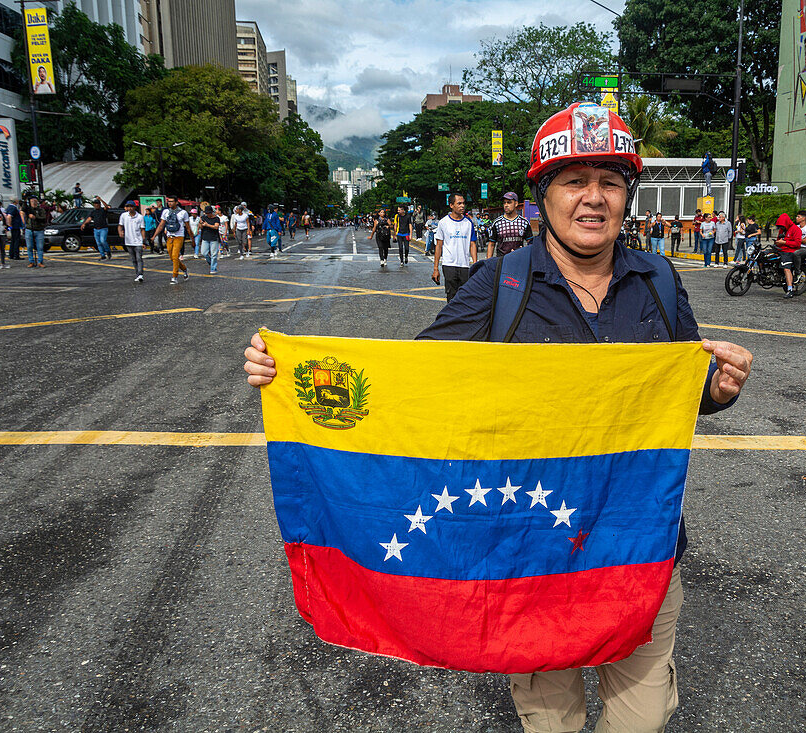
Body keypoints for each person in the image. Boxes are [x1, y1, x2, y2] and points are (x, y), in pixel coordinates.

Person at [242, 102, 753, 733]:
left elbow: (687, 390)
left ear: (627, 194)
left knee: (641, 720)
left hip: (638, 547)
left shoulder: (658, 278)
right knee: (551, 721)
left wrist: (721, 387)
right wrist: (290, 375)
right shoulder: (500, 283)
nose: (593, 199)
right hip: (532, 551)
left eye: (611, 181)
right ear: (544, 193)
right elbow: (413, 379)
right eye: (575, 181)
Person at [432, 193, 476, 301]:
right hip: (449, 265)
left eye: (463, 203)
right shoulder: (443, 223)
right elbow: (439, 246)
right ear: (451, 205)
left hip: (464, 265)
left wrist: (475, 265)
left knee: (465, 297)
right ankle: (452, 318)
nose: (462, 206)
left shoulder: (468, 223)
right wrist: (435, 269)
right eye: (459, 203)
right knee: (451, 296)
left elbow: (472, 244)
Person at [153, 196, 192, 284]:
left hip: (179, 236)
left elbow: (188, 227)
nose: (170, 203)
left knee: (175, 256)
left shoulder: (183, 213)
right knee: (172, 257)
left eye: (171, 201)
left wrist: (192, 238)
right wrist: (154, 235)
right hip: (169, 237)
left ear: (176, 202)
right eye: (168, 201)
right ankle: (185, 269)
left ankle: (174, 276)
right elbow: (161, 225)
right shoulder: (165, 212)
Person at [486, 192, 533, 259]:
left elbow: (530, 244)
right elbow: (491, 244)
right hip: (502, 261)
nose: (506, 205)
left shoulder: (524, 222)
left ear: (516, 204)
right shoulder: (497, 223)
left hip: (519, 260)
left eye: (509, 202)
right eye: (504, 203)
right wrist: (488, 263)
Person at [774, 212, 803, 298]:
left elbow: (797, 244)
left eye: (782, 226)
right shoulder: (782, 230)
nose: (781, 228)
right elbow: (778, 240)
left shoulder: (796, 229)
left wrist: (785, 242)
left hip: (790, 251)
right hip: (780, 249)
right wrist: (778, 243)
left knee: (786, 268)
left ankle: (790, 289)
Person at [117, 200, 147, 283]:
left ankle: (140, 274)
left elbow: (142, 229)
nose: (129, 208)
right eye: (128, 206)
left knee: (139, 258)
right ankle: (137, 274)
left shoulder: (140, 217)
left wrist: (143, 241)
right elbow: (120, 225)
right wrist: (120, 232)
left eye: (131, 206)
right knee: (133, 259)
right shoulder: (124, 216)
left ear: (134, 207)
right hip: (128, 241)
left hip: (138, 241)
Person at [23, 195, 50, 268]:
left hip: (39, 230)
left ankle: (40, 261)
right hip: (29, 229)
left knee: (40, 247)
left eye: (35, 201)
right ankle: (31, 261)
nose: (33, 202)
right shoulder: (28, 209)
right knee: (29, 246)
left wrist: (35, 217)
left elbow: (43, 218)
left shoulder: (41, 210)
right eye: (32, 201)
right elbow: (23, 208)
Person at [199, 204, 222, 274]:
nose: (207, 214)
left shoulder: (216, 218)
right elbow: (201, 227)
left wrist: (207, 225)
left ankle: (213, 268)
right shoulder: (203, 218)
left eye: (209, 213)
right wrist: (201, 223)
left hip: (214, 238)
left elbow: (216, 227)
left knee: (214, 254)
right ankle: (210, 262)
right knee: (204, 252)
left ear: (211, 212)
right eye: (206, 213)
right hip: (205, 237)